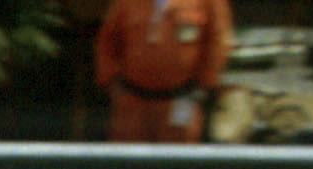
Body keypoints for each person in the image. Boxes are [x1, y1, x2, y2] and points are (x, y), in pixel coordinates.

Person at [95, 0, 232, 145]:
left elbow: (218, 41)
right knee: (129, 160)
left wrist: (205, 84)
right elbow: (106, 41)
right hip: (133, 101)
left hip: (182, 98)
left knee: (176, 159)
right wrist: (111, 81)